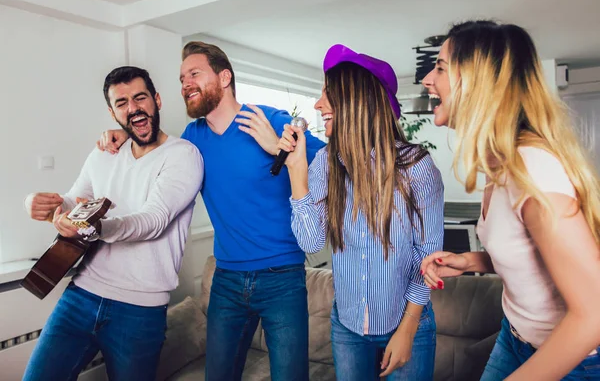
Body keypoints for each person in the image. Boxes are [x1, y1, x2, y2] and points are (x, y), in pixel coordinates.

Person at [96, 41, 326, 381]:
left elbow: (338, 163)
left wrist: (279, 148)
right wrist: (124, 132)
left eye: (194, 73)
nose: (185, 83)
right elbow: (156, 150)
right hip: (227, 281)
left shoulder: (268, 119)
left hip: (283, 278)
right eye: (181, 78)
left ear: (224, 77)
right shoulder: (193, 139)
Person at [420, 20, 600, 380]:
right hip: (515, 337)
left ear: (479, 83)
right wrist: (469, 260)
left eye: (440, 67)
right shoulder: (500, 162)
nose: (427, 79)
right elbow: (534, 256)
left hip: (573, 359)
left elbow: (593, 314)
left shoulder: (532, 169)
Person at [22, 66, 204, 381]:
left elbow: (154, 220)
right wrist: (42, 205)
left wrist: (99, 227)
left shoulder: (183, 155)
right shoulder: (104, 154)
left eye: (140, 98)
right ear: (112, 112)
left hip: (139, 310)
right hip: (80, 295)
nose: (132, 108)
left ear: (157, 100)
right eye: (122, 103)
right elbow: (73, 201)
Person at [277, 44, 444, 380]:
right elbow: (311, 242)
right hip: (348, 328)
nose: (317, 104)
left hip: (407, 321)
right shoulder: (325, 161)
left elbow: (429, 258)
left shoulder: (416, 167)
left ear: (355, 102)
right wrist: (297, 171)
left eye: (327, 94)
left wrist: (408, 329)